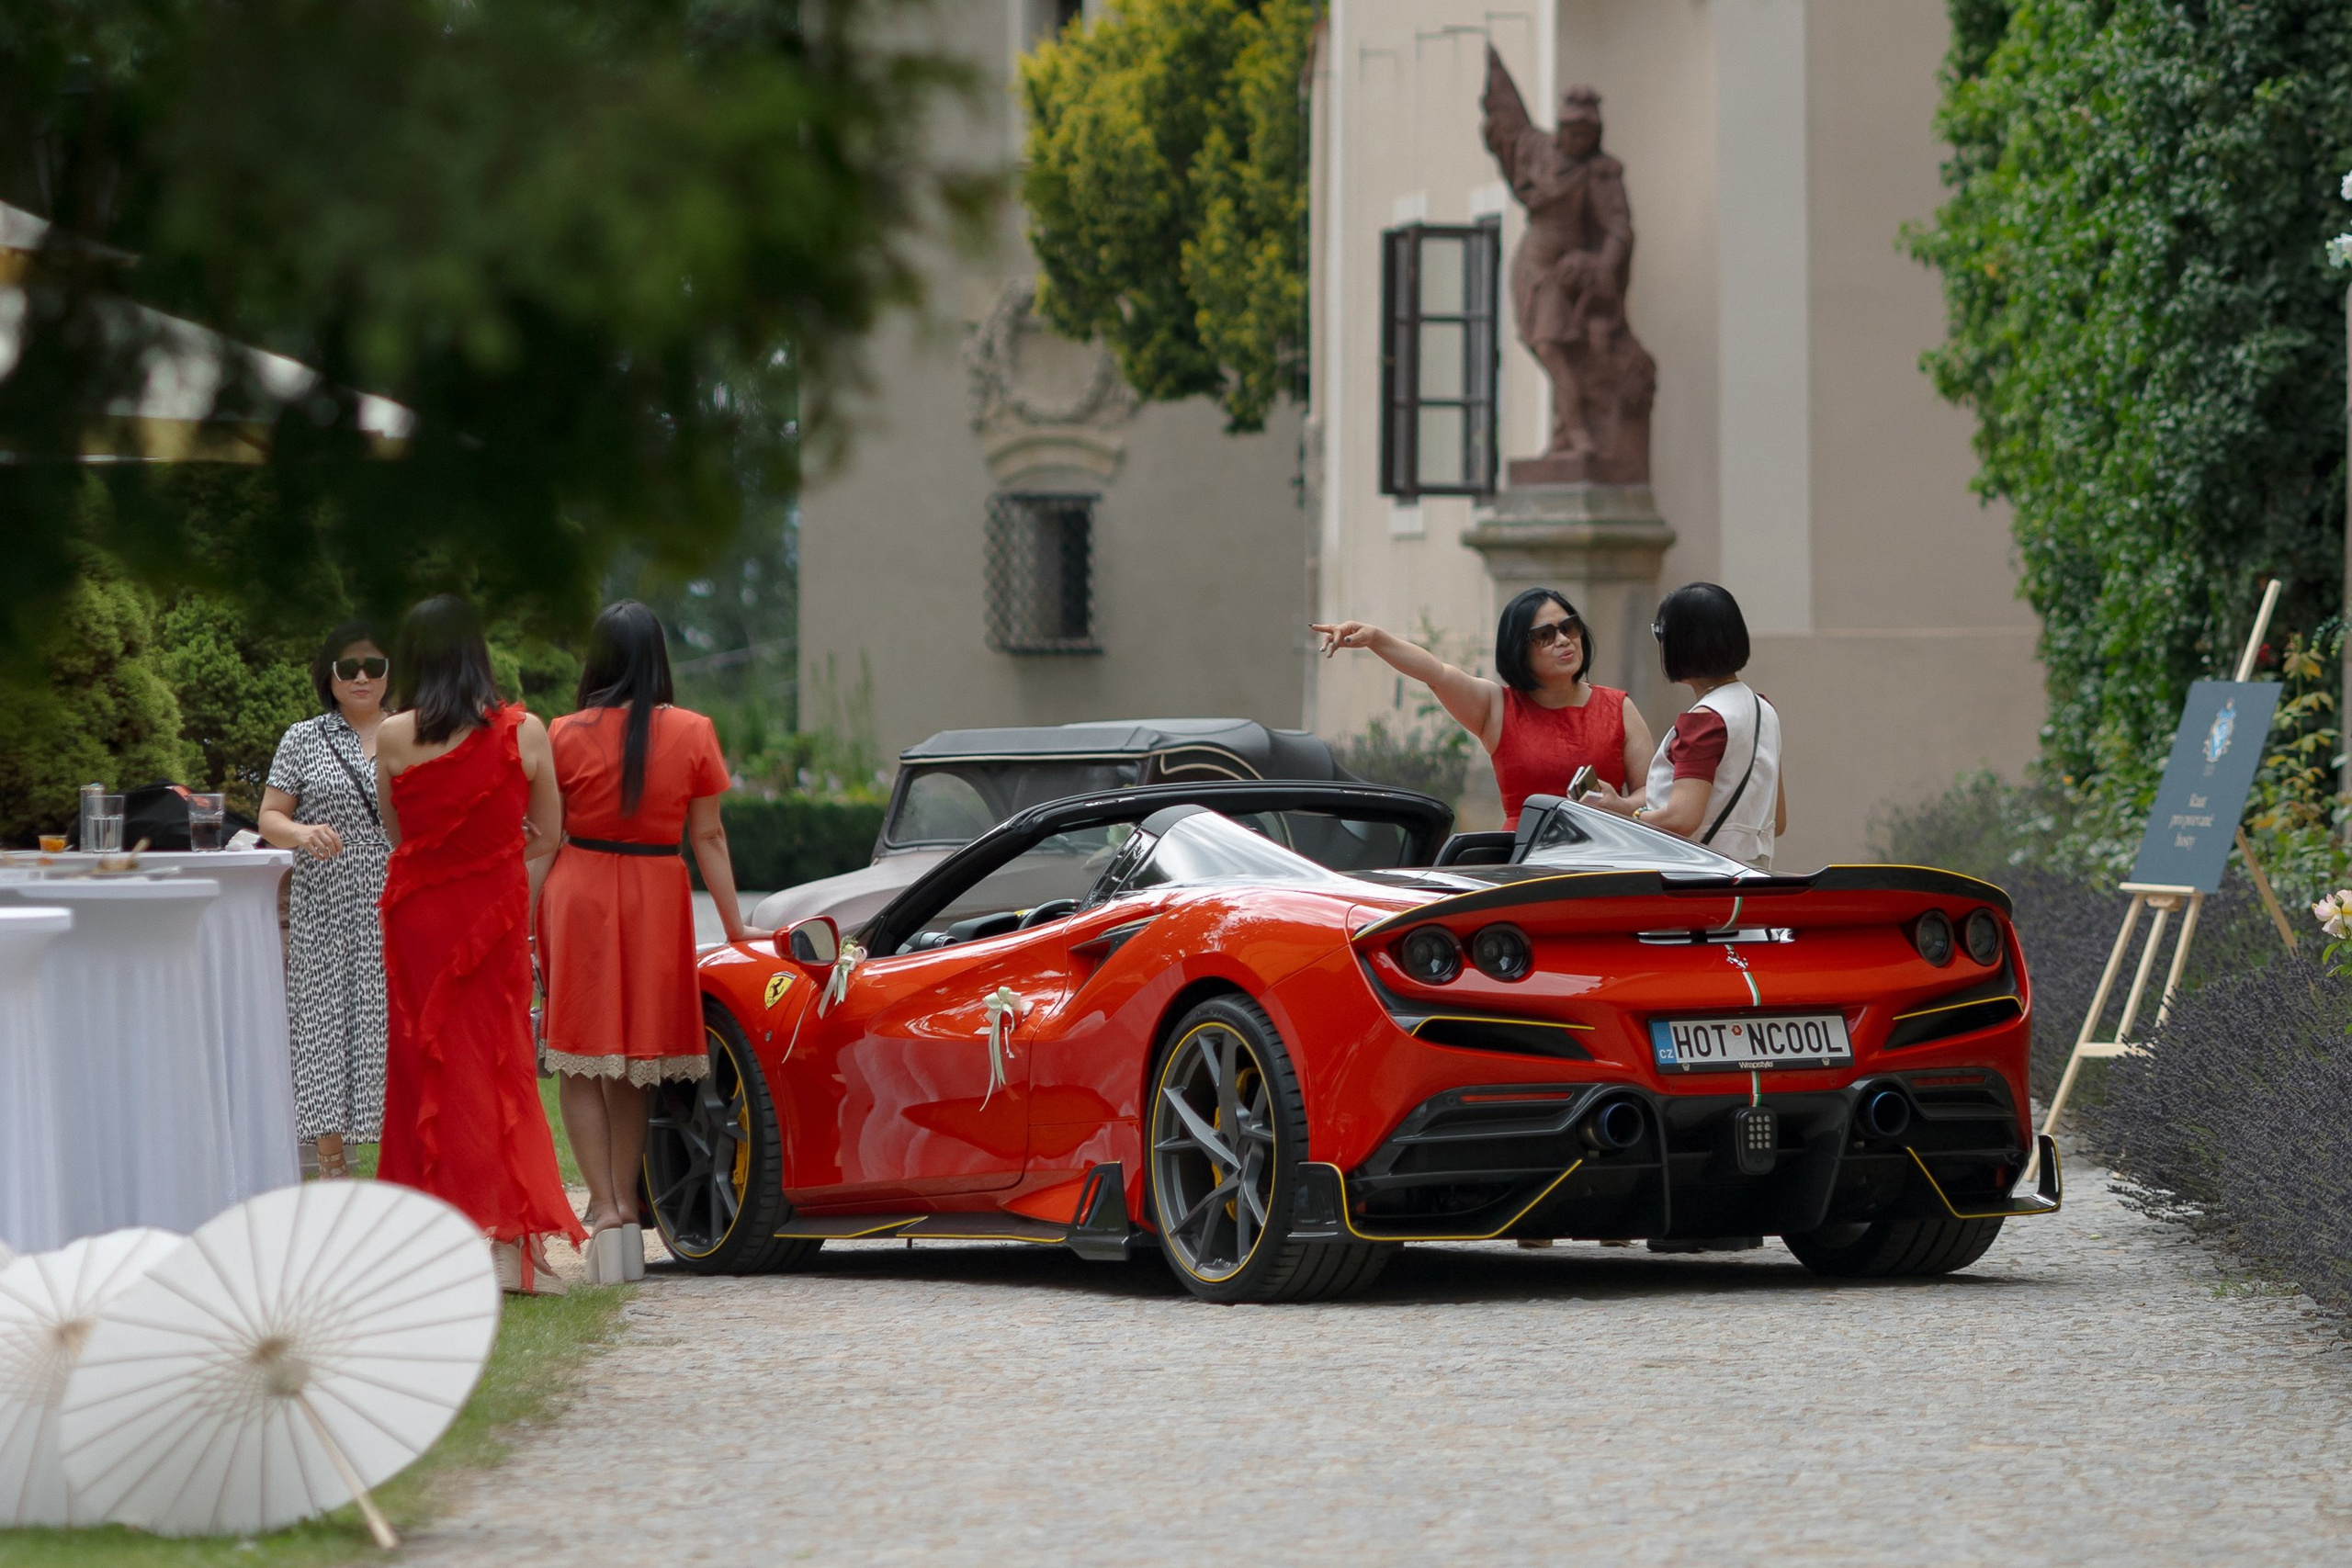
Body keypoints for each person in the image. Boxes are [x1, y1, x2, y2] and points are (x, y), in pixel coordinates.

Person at [538, 601, 764, 1285]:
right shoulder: (693, 730)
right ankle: (622, 1211)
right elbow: (709, 838)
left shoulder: (561, 732)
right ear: (661, 657)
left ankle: (605, 1208)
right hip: (654, 892)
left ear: (598, 659)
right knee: (635, 1055)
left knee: (577, 1054)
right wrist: (734, 926)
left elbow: (542, 833)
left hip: (577, 889)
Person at [373, 595, 583, 1294]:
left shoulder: (393, 735)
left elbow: (399, 836)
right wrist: (505, 885)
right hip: (492, 919)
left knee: (424, 1075)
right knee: (498, 1072)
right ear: (477, 653)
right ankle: (507, 1249)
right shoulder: (527, 733)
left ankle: (431, 1249)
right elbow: (549, 835)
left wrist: (452, 873)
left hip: (420, 922)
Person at [1313, 589, 1653, 827]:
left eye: (1569, 627)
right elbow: (1437, 674)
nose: (1563, 640)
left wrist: (1620, 807)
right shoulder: (1498, 706)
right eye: (1545, 635)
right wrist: (1375, 638)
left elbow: (1652, 793)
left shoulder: (1617, 706)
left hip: (1608, 863)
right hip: (1526, 868)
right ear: (1518, 649)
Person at [258, 621, 394, 1180]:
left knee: (391, 1029)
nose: (362, 677)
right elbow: (270, 817)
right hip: (325, 901)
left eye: (374, 666)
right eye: (348, 668)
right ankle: (332, 1164)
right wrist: (302, 832)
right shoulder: (304, 738)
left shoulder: (413, 732)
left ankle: (402, 1167)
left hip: (394, 898)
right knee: (322, 1028)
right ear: (329, 677)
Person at [1587, 581, 1786, 869]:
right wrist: (1622, 804)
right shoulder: (1764, 710)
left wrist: (1630, 819)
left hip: (1699, 887)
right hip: (1755, 882)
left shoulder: (1704, 722)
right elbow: (1777, 820)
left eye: (1660, 632)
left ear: (1681, 642)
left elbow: (1681, 818)